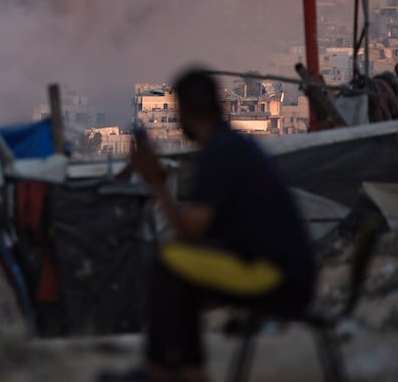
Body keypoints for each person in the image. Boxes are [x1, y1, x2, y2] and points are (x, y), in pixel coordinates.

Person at [103, 68, 317, 382]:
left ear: (185, 111)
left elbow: (189, 232)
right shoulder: (231, 145)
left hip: (276, 278)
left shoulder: (221, 152)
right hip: (287, 273)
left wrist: (155, 182)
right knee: (181, 265)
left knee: (168, 263)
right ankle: (187, 369)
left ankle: (163, 370)